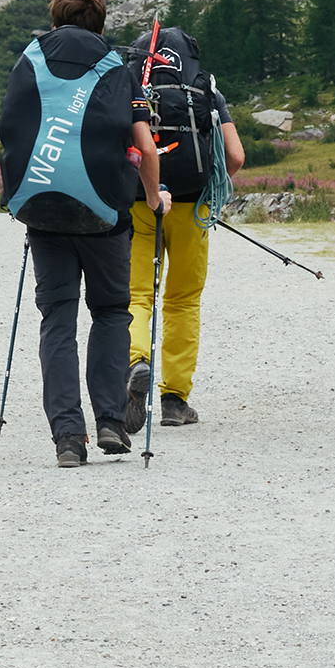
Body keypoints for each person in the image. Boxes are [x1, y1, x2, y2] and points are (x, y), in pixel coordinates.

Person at [0, 0, 164, 468]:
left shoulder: (30, 58)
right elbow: (147, 146)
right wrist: (154, 198)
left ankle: (69, 438)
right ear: (100, 22)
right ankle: (111, 422)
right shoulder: (117, 67)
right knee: (112, 312)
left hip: (43, 210)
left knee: (58, 319)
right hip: (104, 213)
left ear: (55, 20)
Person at [123, 26, 245, 431]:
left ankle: (135, 363)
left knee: (137, 294)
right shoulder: (205, 88)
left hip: (141, 201)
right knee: (182, 301)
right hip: (193, 205)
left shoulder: (129, 84)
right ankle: (174, 401)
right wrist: (213, 190)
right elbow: (236, 156)